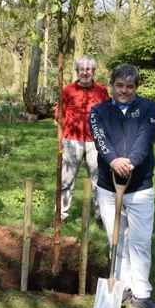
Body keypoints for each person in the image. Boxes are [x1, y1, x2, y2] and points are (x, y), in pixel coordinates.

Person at [90, 64, 155, 308]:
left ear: (136, 87)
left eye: (130, 86)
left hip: (140, 185)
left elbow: (145, 139)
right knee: (117, 239)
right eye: (120, 85)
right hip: (108, 186)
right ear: (112, 85)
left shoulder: (149, 109)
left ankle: (142, 294)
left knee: (140, 241)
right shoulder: (98, 111)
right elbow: (100, 139)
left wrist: (129, 162)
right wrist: (112, 160)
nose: (124, 91)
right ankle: (120, 287)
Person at [57, 55, 109, 222]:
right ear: (77, 71)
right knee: (66, 179)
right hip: (72, 140)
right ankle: (61, 215)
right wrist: (62, 136)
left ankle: (101, 216)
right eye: (82, 69)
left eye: (88, 69)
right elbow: (59, 114)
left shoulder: (101, 91)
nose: (85, 73)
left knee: (98, 180)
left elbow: (108, 114)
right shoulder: (68, 91)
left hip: (96, 142)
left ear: (93, 71)